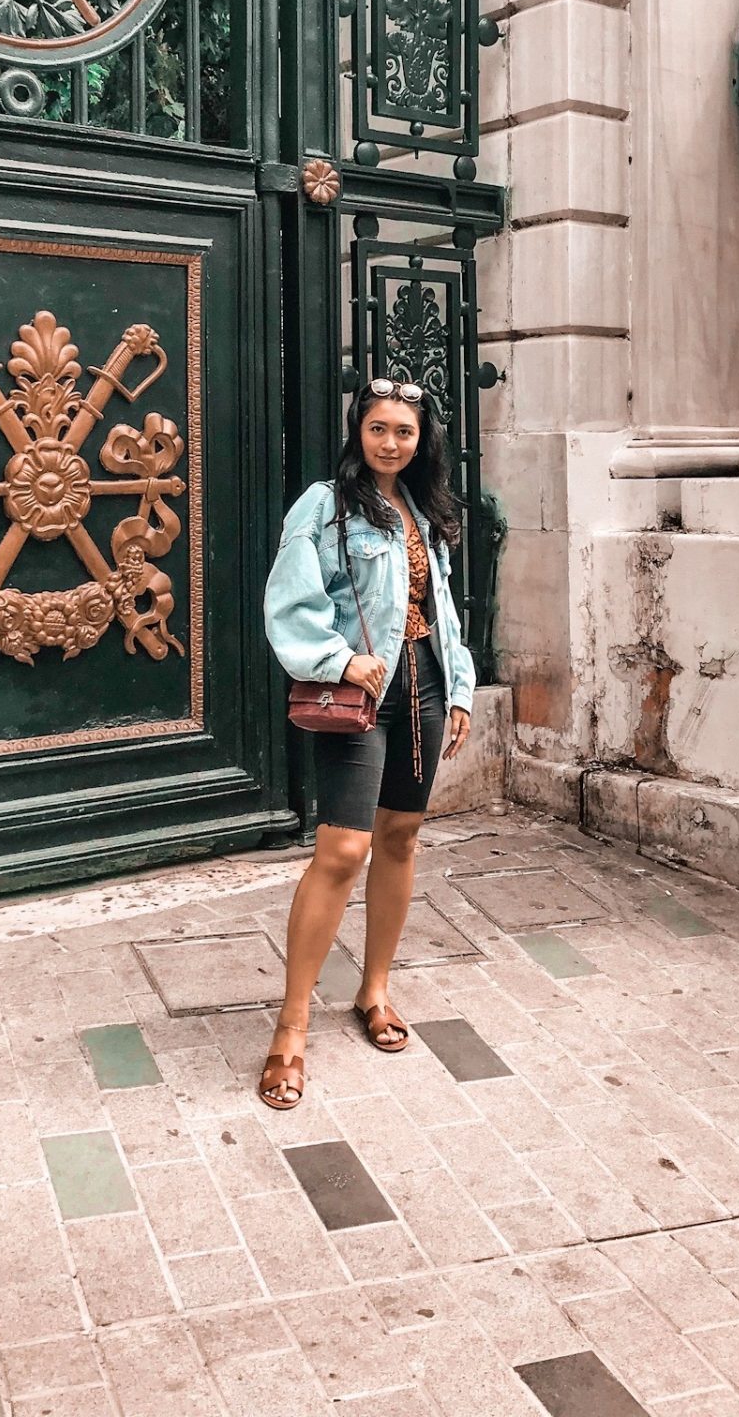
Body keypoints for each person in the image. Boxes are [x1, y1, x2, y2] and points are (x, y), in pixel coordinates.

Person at [257, 377, 476, 1108]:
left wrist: (463, 688)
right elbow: (291, 601)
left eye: (404, 432)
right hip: (362, 692)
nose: (390, 443)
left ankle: (374, 990)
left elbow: (441, 607)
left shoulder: (425, 507)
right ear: (359, 432)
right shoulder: (324, 505)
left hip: (427, 686)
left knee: (403, 836)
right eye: (378, 429)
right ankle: (291, 1027)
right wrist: (337, 658)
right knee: (342, 850)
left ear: (422, 442)